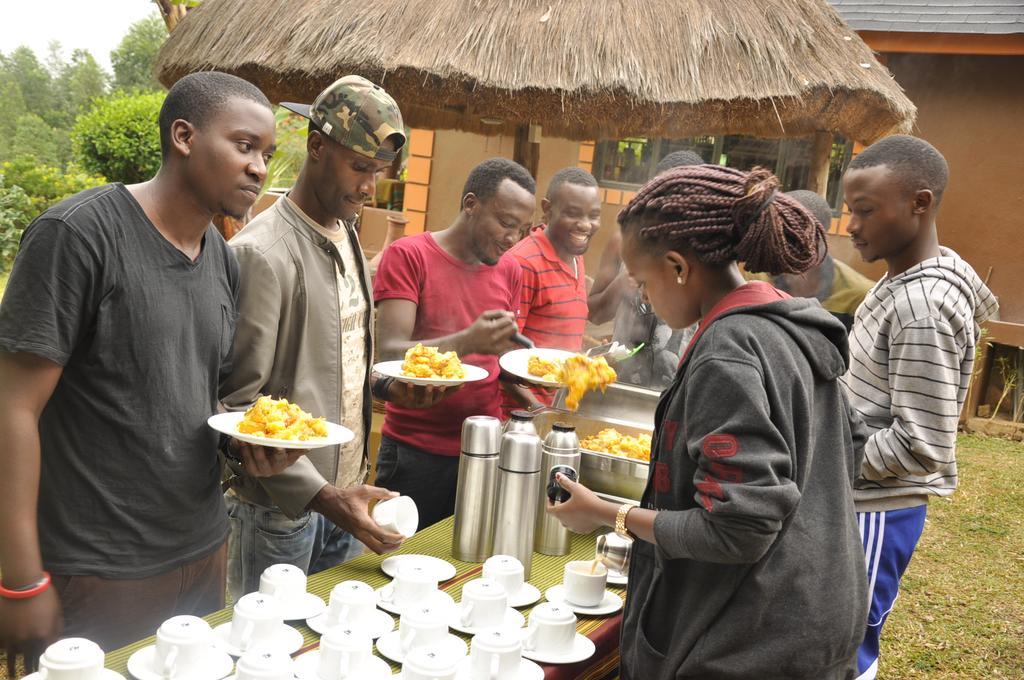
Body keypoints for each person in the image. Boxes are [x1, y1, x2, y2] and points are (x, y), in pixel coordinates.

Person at [0, 72, 297, 663]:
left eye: (266, 153)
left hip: (202, 550)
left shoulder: (221, 257)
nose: (260, 169)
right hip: (99, 569)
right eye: (243, 146)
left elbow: (190, 396)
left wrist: (245, 444)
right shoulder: (79, 236)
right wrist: (19, 576)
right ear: (183, 136)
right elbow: (12, 408)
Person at [548, 164, 868, 679]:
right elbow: (849, 446)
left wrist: (610, 514)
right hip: (817, 612)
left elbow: (738, 529)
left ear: (677, 267)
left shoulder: (728, 350)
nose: (643, 298)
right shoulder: (788, 321)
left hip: (750, 639)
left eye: (643, 281)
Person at [219, 76, 452, 601]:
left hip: (348, 496)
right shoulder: (263, 253)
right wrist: (322, 496)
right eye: (360, 167)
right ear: (317, 146)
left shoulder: (346, 232)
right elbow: (238, 407)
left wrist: (389, 389)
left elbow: (332, 360)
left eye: (380, 172)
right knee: (269, 649)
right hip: (279, 511)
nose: (371, 187)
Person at [839, 135, 998, 680]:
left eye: (864, 210)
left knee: (843, 646)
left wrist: (828, 457)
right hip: (860, 501)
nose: (852, 226)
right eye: (848, 210)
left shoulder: (921, 306)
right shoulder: (901, 281)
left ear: (920, 203)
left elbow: (921, 444)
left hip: (875, 511)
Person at [372, 158, 535, 530]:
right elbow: (391, 353)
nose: (513, 239)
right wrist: (466, 341)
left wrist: (530, 383)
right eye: (507, 223)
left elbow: (497, 358)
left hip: (485, 448)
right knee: (402, 562)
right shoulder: (409, 256)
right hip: (416, 452)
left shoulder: (511, 270)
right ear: (471, 204)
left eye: (523, 229)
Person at [589, 150, 704, 390]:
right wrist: (623, 281)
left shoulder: (708, 257)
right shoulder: (622, 243)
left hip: (677, 394)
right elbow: (595, 314)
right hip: (619, 387)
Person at [501, 167, 602, 413]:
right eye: (573, 214)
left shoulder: (575, 255)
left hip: (560, 410)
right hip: (520, 419)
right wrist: (539, 410)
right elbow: (500, 355)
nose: (585, 225)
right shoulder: (524, 263)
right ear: (547, 209)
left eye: (594, 215)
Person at [753, 189, 874, 332]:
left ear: (822, 236)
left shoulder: (858, 295)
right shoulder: (754, 279)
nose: (785, 247)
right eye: (779, 236)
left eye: (798, 237)